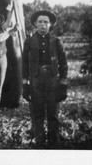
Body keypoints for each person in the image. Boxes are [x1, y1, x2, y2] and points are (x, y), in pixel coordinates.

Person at [22, 10, 68, 149]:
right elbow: (24, 63)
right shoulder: (29, 42)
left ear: (50, 24)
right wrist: (25, 85)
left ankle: (54, 143)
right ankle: (40, 143)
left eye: (46, 22)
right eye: (40, 22)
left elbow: (64, 64)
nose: (43, 25)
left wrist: (63, 85)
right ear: (35, 24)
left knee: (53, 113)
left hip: (53, 80)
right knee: (37, 113)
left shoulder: (56, 42)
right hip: (36, 81)